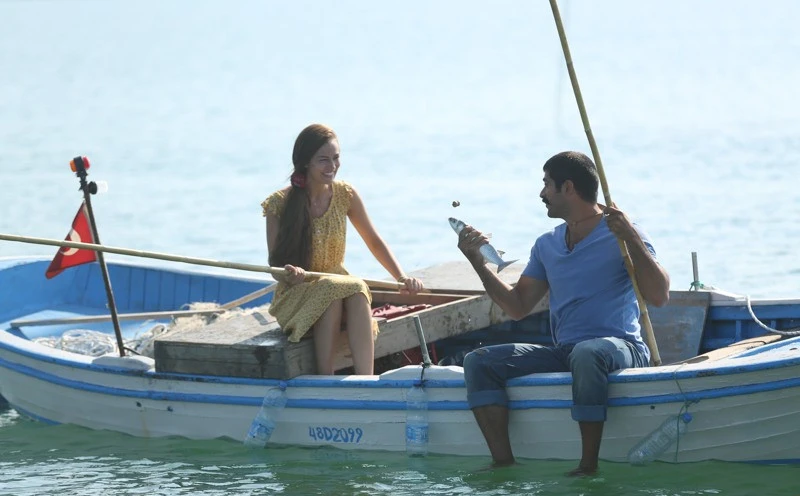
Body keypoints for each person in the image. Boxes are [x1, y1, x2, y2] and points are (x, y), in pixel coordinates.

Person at [456, 151, 670, 475]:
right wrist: (478, 263)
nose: (541, 193)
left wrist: (630, 237)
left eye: (546, 184)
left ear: (568, 187)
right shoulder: (547, 245)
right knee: (479, 361)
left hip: (622, 347)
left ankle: (587, 466)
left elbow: (659, 295)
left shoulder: (623, 233)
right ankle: (503, 463)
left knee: (588, 353)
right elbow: (517, 306)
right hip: (566, 351)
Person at [261, 123, 423, 375]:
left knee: (356, 290)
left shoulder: (345, 194)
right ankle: (326, 378)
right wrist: (290, 274)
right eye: (323, 160)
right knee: (334, 291)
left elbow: (374, 241)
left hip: (337, 285)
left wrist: (401, 278)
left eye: (336, 158)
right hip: (296, 294)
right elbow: (275, 268)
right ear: (305, 163)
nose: (332, 166)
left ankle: (366, 380)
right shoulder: (278, 204)